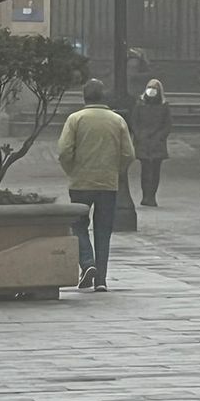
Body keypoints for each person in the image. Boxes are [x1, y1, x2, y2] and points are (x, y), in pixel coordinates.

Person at [56, 79, 135, 292]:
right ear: (103, 96)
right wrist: (116, 171)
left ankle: (87, 262)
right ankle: (101, 278)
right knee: (103, 230)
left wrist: (71, 170)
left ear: (84, 97)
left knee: (78, 224)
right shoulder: (117, 120)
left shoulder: (76, 119)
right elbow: (128, 153)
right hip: (108, 183)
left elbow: (64, 151)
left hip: (81, 182)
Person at [133, 79, 172, 207]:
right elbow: (135, 122)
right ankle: (145, 196)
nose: (152, 90)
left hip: (157, 142)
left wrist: (160, 137)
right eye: (150, 87)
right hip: (143, 141)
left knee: (155, 171)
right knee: (145, 170)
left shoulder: (164, 106)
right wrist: (139, 135)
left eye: (155, 87)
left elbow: (167, 125)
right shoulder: (140, 105)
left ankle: (152, 196)